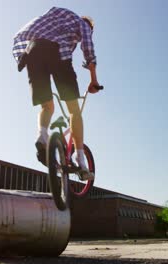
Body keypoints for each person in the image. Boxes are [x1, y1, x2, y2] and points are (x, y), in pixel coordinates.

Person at [13, 7, 100, 180]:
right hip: (57, 55)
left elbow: (20, 36)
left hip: (33, 51)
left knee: (47, 106)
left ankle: (42, 136)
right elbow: (88, 47)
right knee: (74, 110)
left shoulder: (55, 14)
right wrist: (93, 80)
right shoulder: (82, 23)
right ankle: (81, 160)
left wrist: (20, 57)